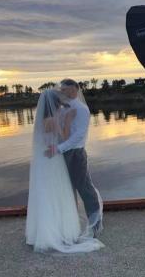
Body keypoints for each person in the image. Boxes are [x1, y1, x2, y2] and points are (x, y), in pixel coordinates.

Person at [26, 89, 103, 253]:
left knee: (46, 195)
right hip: (54, 161)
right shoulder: (53, 120)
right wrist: (67, 121)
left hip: (44, 161)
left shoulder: (43, 119)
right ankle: (62, 230)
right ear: (54, 103)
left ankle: (42, 230)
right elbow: (65, 138)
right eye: (59, 99)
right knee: (59, 192)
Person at [45, 78, 103, 237]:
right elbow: (62, 131)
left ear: (76, 89)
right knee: (66, 187)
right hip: (62, 152)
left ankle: (95, 222)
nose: (64, 92)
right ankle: (71, 223)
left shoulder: (82, 109)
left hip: (75, 153)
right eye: (62, 90)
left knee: (84, 186)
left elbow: (79, 136)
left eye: (67, 89)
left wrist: (59, 149)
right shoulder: (63, 109)